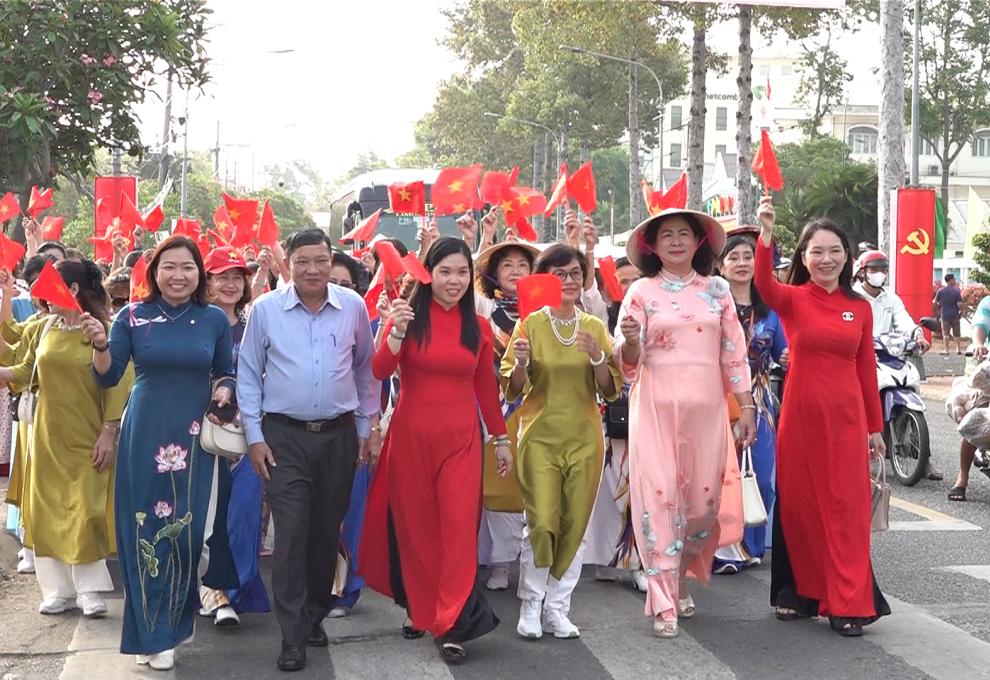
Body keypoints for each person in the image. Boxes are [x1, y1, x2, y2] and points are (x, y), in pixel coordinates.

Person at [83, 235, 240, 671]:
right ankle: (152, 633)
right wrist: (100, 345)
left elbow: (224, 371)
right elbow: (108, 376)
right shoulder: (133, 316)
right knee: (144, 531)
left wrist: (225, 391)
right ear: (154, 272)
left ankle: (171, 625)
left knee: (188, 535)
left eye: (187, 267)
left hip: (194, 438)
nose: (178, 275)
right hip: (145, 434)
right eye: (169, 266)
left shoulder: (213, 319)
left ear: (199, 274)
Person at [362, 237, 510, 665]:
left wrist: (501, 440)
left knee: (458, 532)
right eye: (445, 271)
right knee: (418, 531)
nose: (454, 280)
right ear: (428, 275)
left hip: (461, 442)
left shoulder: (478, 327)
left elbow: (486, 388)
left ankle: (452, 624)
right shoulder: (407, 318)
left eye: (462, 272)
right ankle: (422, 608)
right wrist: (395, 332)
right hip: (411, 441)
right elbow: (379, 370)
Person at [237, 229, 379, 673]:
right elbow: (248, 374)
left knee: (324, 533)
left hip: (338, 436)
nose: (312, 270)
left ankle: (315, 611)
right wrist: (254, 436)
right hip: (283, 438)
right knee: (291, 533)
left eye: (320, 260)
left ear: (331, 260)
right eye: (302, 261)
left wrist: (365, 426)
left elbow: (366, 370)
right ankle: (292, 634)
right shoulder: (266, 310)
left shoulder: (352, 307)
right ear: (289, 264)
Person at [753, 197, 891, 638]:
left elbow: (866, 370)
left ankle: (847, 603)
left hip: (847, 419)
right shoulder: (793, 299)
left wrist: (875, 428)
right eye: (816, 251)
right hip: (800, 418)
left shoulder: (860, 308)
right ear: (804, 257)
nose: (826, 259)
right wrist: (766, 234)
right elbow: (763, 284)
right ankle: (800, 594)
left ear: (847, 257)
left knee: (847, 509)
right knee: (801, 507)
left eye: (834, 251)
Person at [614, 209, 754, 638]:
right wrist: (631, 343)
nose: (676, 241)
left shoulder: (717, 291)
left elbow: (734, 351)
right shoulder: (640, 292)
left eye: (684, 234)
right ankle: (662, 601)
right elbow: (627, 363)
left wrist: (746, 405)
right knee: (659, 502)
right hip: (655, 409)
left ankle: (680, 575)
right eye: (666, 235)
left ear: (698, 242)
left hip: (707, 411)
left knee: (700, 508)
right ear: (652, 246)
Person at [500, 244, 622, 640]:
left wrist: (598, 358)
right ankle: (531, 603)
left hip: (584, 438)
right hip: (539, 437)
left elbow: (610, 390)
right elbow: (512, 388)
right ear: (544, 279)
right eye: (559, 274)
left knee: (575, 524)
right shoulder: (530, 325)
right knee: (541, 522)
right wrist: (521, 363)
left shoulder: (594, 327)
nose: (568, 281)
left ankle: (557, 607)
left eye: (575, 273)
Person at [0, 260, 131, 618]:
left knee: (86, 511)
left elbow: (118, 384)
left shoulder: (104, 331)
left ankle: (89, 590)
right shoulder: (44, 327)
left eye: (50, 284)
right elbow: (26, 368)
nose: (41, 293)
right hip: (46, 435)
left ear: (72, 289)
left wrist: (108, 432)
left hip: (89, 434)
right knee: (47, 511)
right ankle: (58, 591)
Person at [197, 248, 270, 627]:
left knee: (243, 516)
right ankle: (212, 592)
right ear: (206, 281)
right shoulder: (195, 324)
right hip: (202, 436)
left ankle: (237, 589)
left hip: (248, 436)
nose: (230, 284)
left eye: (236, 277)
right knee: (207, 517)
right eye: (221, 276)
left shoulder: (255, 324)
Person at [712, 227, 788, 574]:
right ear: (720, 266)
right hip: (717, 398)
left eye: (748, 257)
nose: (742, 263)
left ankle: (752, 545)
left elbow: (784, 351)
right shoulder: (712, 307)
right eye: (734, 257)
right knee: (719, 475)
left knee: (760, 474)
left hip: (759, 402)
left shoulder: (770, 312)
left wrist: (787, 357)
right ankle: (723, 550)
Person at [471, 234, 539, 593]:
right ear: (494, 274)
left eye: (522, 264)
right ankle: (498, 561)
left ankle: (532, 562)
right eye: (507, 265)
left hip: (537, 406)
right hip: (495, 407)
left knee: (535, 485)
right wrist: (479, 238)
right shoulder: (485, 308)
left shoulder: (544, 310)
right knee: (498, 485)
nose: (515, 271)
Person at [584, 256, 648, 590]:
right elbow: (588, 295)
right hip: (610, 415)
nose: (629, 286)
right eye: (622, 280)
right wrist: (587, 249)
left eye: (635, 279)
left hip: (649, 412)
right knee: (609, 490)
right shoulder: (603, 317)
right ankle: (607, 557)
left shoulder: (654, 314)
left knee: (641, 490)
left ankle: (639, 562)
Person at [325, 249, 374, 619]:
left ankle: (341, 590)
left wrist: (368, 428)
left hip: (350, 432)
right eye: (333, 282)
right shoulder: (290, 318)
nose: (339, 289)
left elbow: (370, 378)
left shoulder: (361, 322)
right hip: (301, 435)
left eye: (347, 284)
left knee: (349, 514)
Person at [949, 294, 990, 501]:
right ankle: (962, 478)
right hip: (987, 374)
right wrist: (978, 344)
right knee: (975, 422)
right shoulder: (987, 303)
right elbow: (980, 327)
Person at [934, 273, 964, 355]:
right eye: (954, 279)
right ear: (950, 280)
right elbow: (960, 304)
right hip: (955, 315)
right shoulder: (956, 291)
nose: (955, 281)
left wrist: (938, 308)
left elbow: (935, 302)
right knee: (957, 332)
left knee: (945, 333)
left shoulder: (941, 291)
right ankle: (958, 349)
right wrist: (961, 311)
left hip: (945, 315)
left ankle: (946, 350)